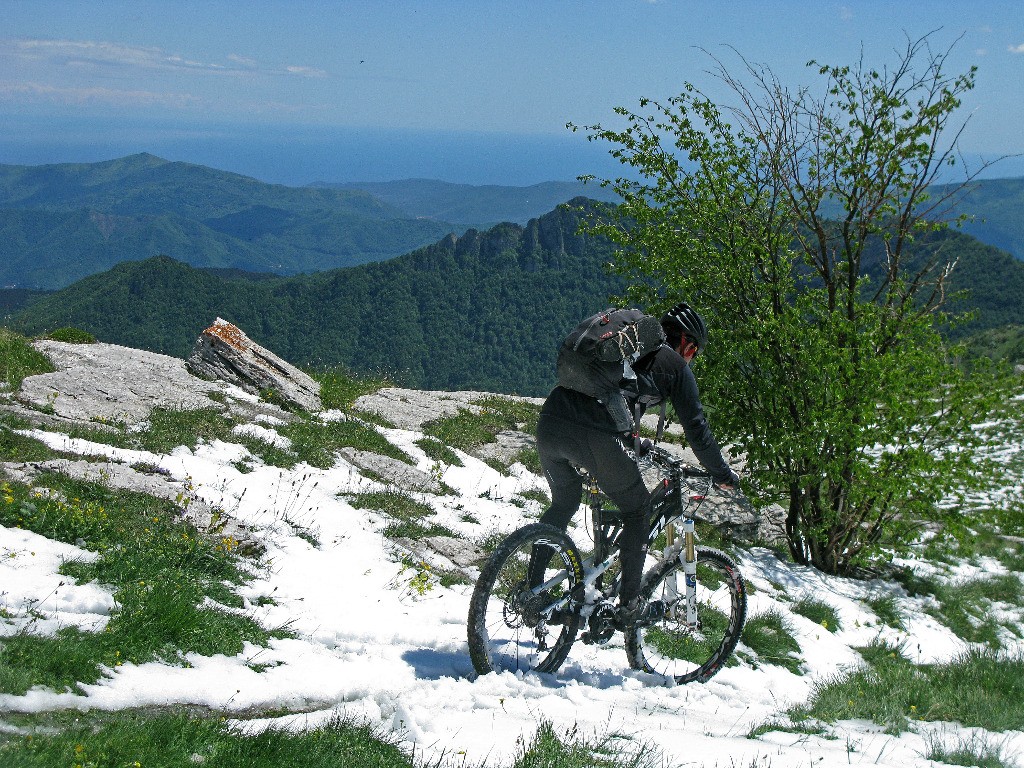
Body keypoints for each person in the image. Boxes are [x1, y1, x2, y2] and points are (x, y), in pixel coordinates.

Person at [534, 302, 740, 627]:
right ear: (688, 344)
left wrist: (637, 445)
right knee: (637, 510)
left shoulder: (627, 357)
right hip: (593, 432)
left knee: (564, 503)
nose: (691, 358)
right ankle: (630, 605)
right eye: (694, 352)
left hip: (551, 420)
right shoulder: (675, 366)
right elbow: (697, 430)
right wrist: (722, 474)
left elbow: (620, 405)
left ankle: (533, 593)